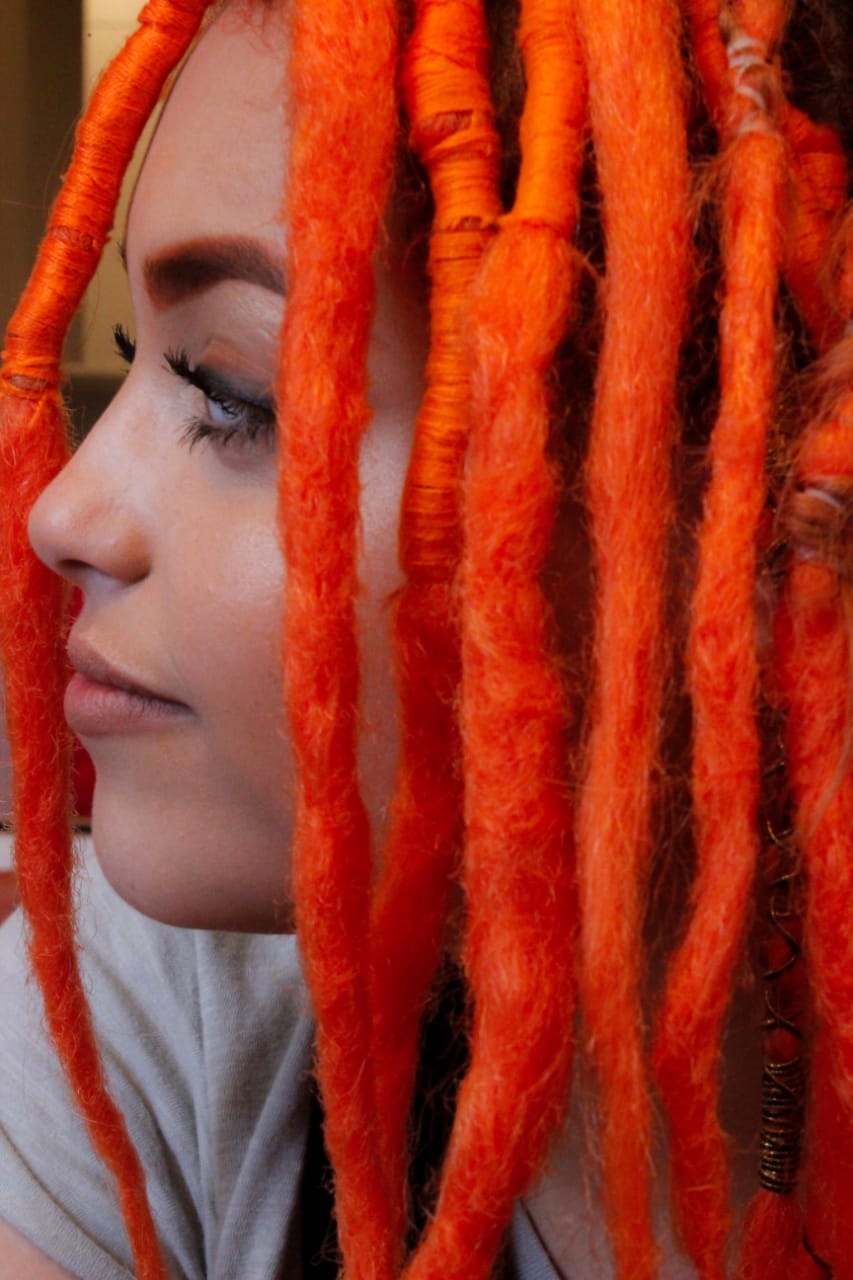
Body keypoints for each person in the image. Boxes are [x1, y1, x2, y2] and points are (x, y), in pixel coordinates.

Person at [0, 0, 852, 1277]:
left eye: (235, 393)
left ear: (759, 512)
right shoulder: (154, 1018)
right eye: (134, 351)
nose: (61, 512)